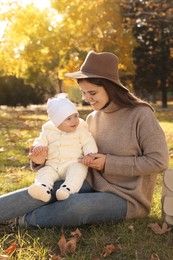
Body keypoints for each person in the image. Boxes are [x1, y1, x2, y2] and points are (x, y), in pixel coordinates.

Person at [0, 51, 169, 228]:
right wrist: (40, 161)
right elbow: (71, 152)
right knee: (47, 189)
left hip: (127, 197)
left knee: (75, 207)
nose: (87, 99)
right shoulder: (92, 118)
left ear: (110, 87)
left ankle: (18, 221)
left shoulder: (141, 115)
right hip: (92, 181)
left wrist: (108, 163)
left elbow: (159, 161)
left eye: (92, 93)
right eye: (83, 93)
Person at [28, 96, 98, 202]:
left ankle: (67, 189)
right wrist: (38, 148)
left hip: (73, 163)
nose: (74, 121)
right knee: (45, 172)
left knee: (79, 171)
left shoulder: (80, 129)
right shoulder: (48, 130)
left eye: (75, 116)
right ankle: (42, 188)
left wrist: (90, 154)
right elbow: (40, 141)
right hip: (53, 165)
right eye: (68, 119)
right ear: (57, 121)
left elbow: (88, 142)